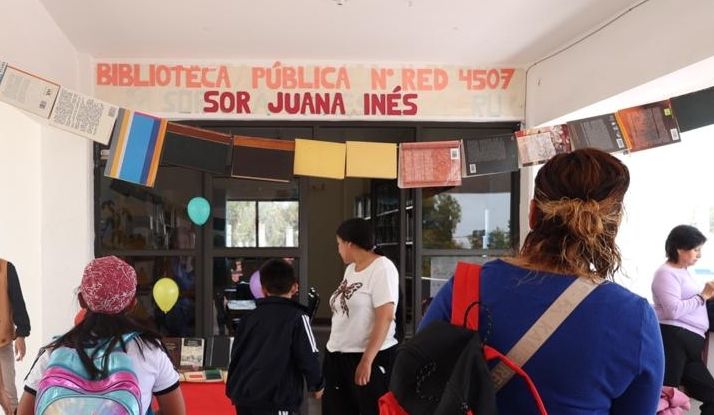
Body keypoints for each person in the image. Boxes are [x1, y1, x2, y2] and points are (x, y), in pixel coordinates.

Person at [419, 148, 664, 414]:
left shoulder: (466, 287)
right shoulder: (633, 318)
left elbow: (415, 383)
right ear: (611, 226)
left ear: (533, 213)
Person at [18, 256, 185, 415]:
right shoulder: (149, 351)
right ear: (132, 304)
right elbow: (176, 412)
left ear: (82, 300)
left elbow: (23, 412)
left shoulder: (53, 353)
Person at [226, 258, 324, 415]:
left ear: (263, 289)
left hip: (245, 398)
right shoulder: (297, 317)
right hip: (278, 399)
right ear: (294, 287)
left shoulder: (248, 318)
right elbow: (309, 355)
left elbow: (236, 354)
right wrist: (317, 384)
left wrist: (233, 388)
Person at [323, 218, 399, 415]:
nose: (338, 249)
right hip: (338, 355)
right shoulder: (351, 269)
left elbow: (385, 316)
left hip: (366, 357)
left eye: (339, 244)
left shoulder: (382, 268)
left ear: (349, 243)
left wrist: (367, 360)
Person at [652, 224, 714, 415]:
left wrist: (706, 297)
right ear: (680, 249)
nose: (699, 255)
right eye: (696, 249)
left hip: (690, 347)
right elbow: (673, 311)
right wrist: (702, 296)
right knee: (666, 398)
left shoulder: (684, 273)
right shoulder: (665, 273)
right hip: (674, 338)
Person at [0, 258, 30, 414]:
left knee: (9, 395)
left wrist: (21, 334)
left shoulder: (6, 268)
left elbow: (17, 300)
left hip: (2, 343)